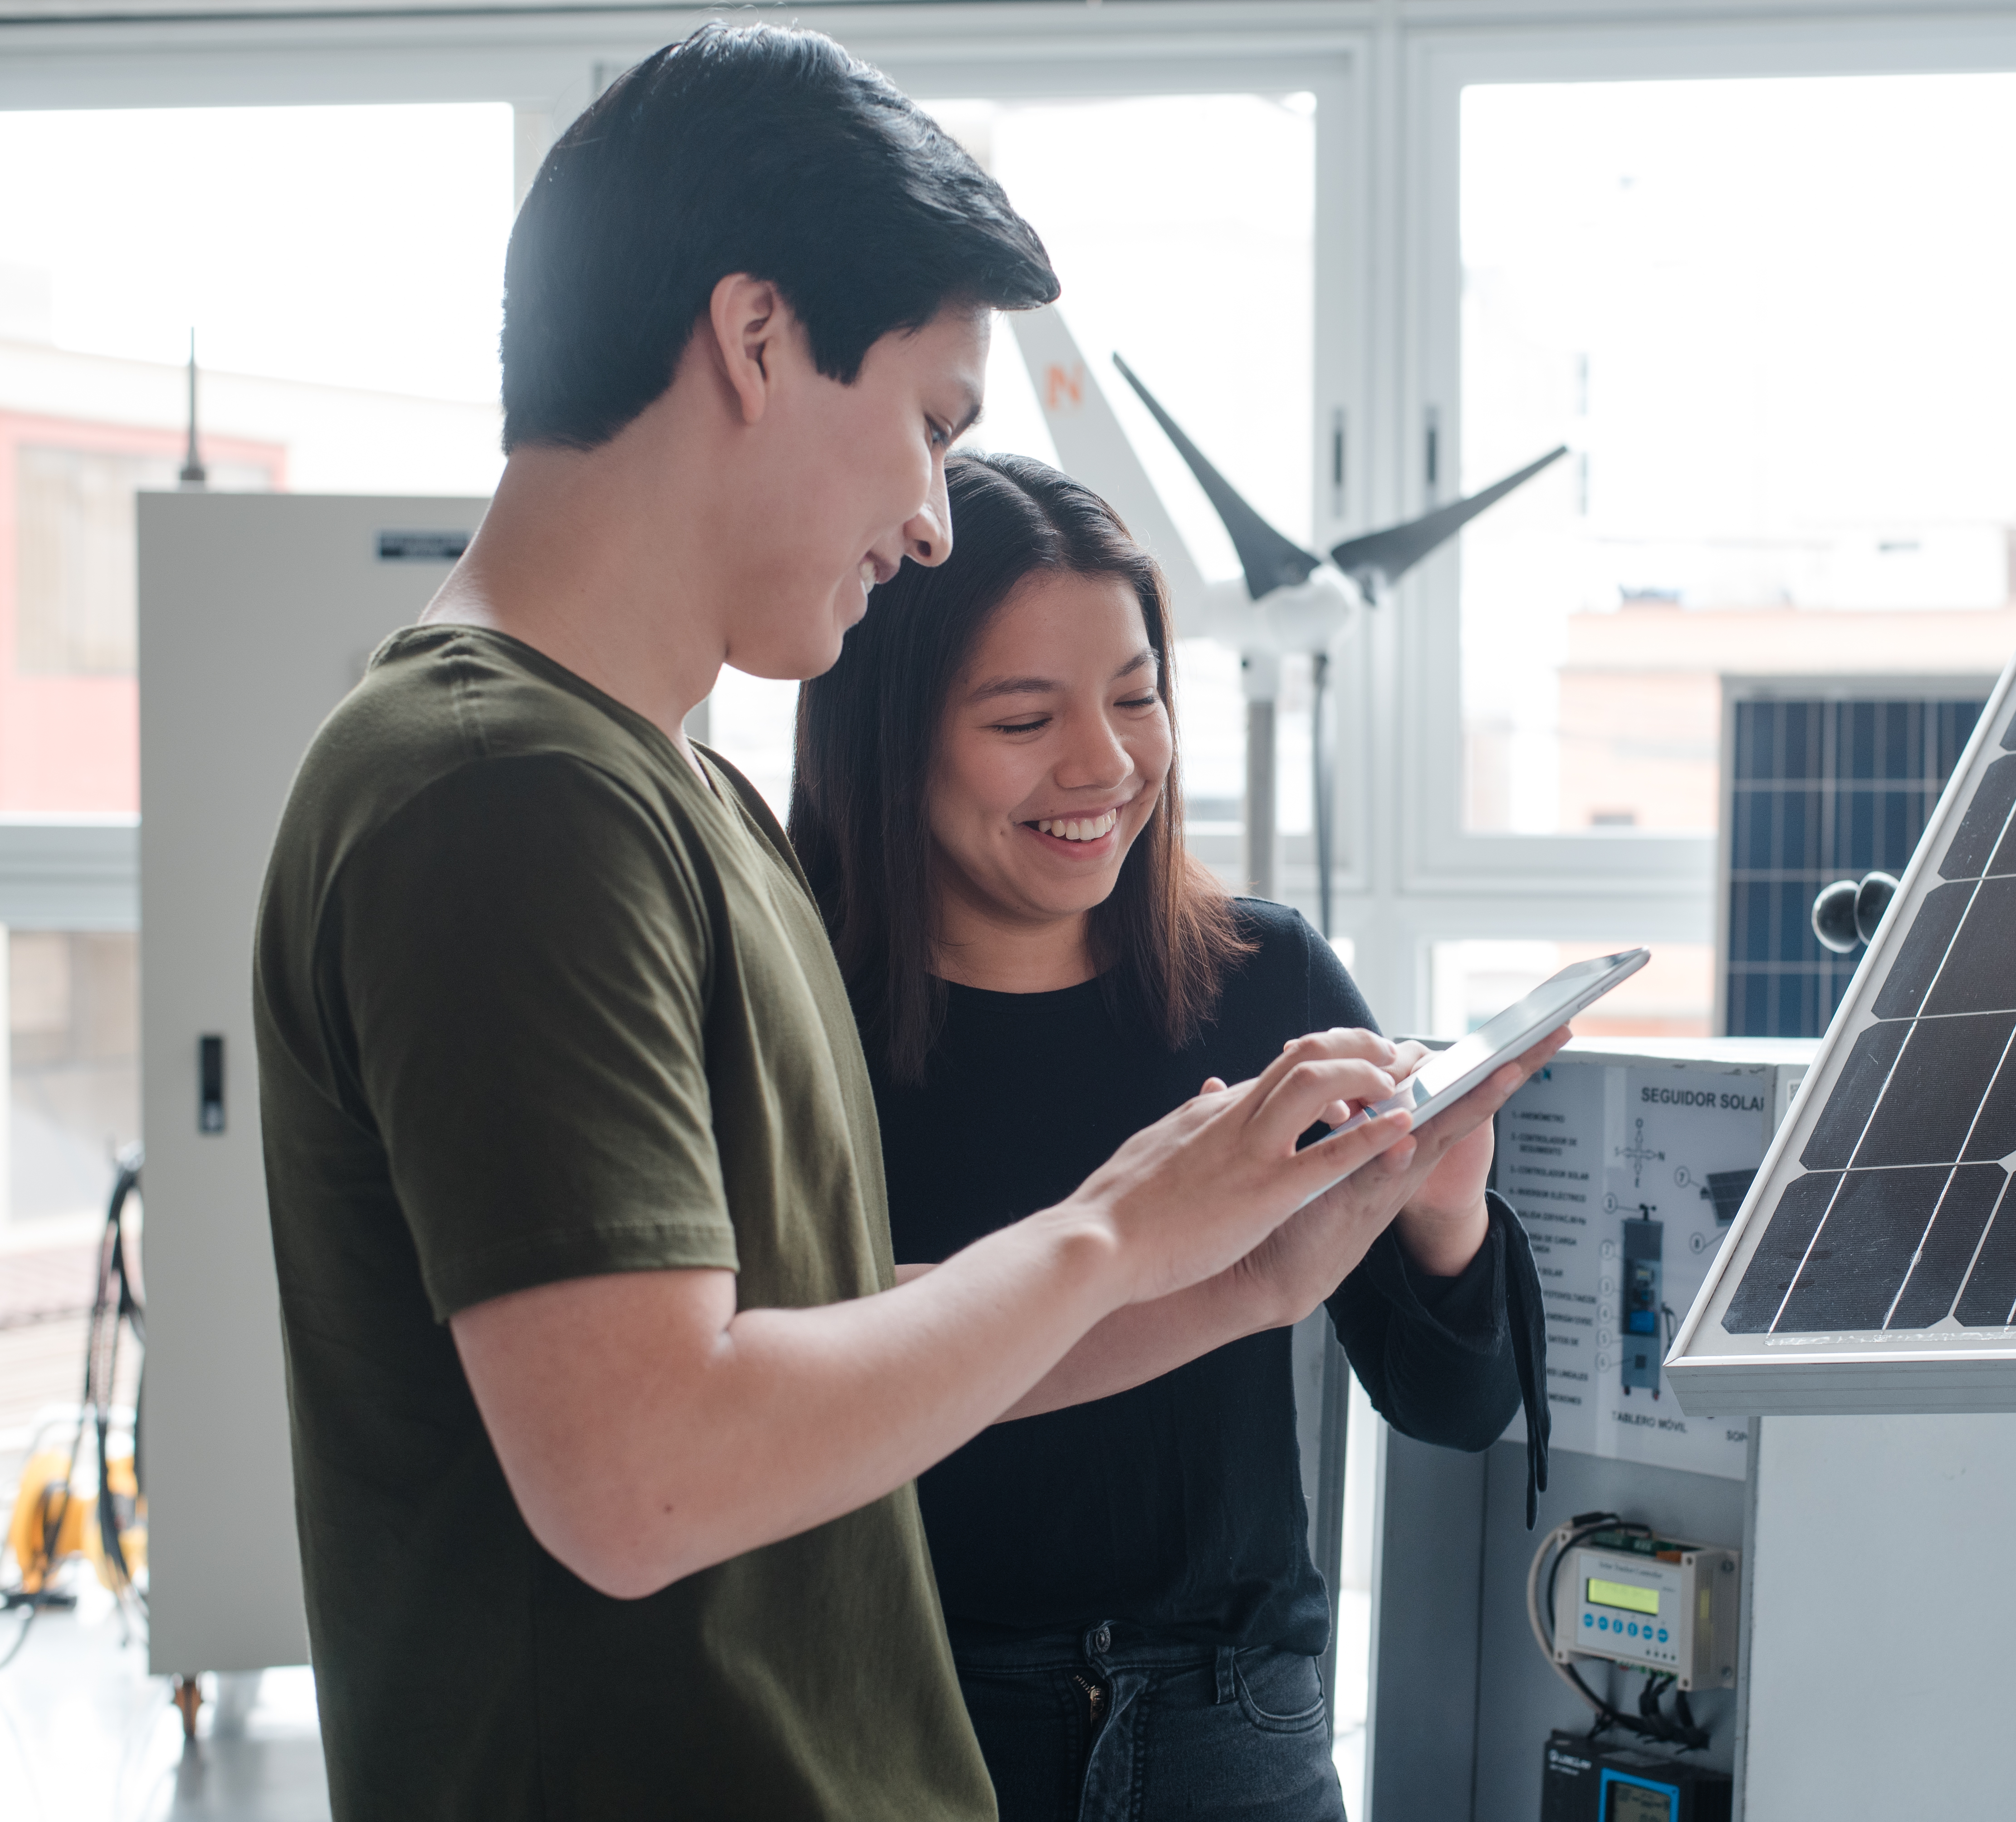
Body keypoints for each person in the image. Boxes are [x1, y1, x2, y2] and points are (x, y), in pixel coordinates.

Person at [250, 24, 1545, 1819]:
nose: (933, 519)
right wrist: (1105, 1233)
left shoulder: (670, 792)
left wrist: (1222, 1274)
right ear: (757, 336)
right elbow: (643, 1473)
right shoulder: (502, 789)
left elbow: (833, 1343)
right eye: (933, 425)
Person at [788, 450, 1553, 1821]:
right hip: (909, 1720)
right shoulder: (797, 1013)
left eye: (1138, 697)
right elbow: (785, 1382)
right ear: (888, 732)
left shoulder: (1269, 982)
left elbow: (1457, 1411)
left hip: (1232, 1723)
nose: (1106, 762)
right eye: (1024, 720)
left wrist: (1445, 1213)